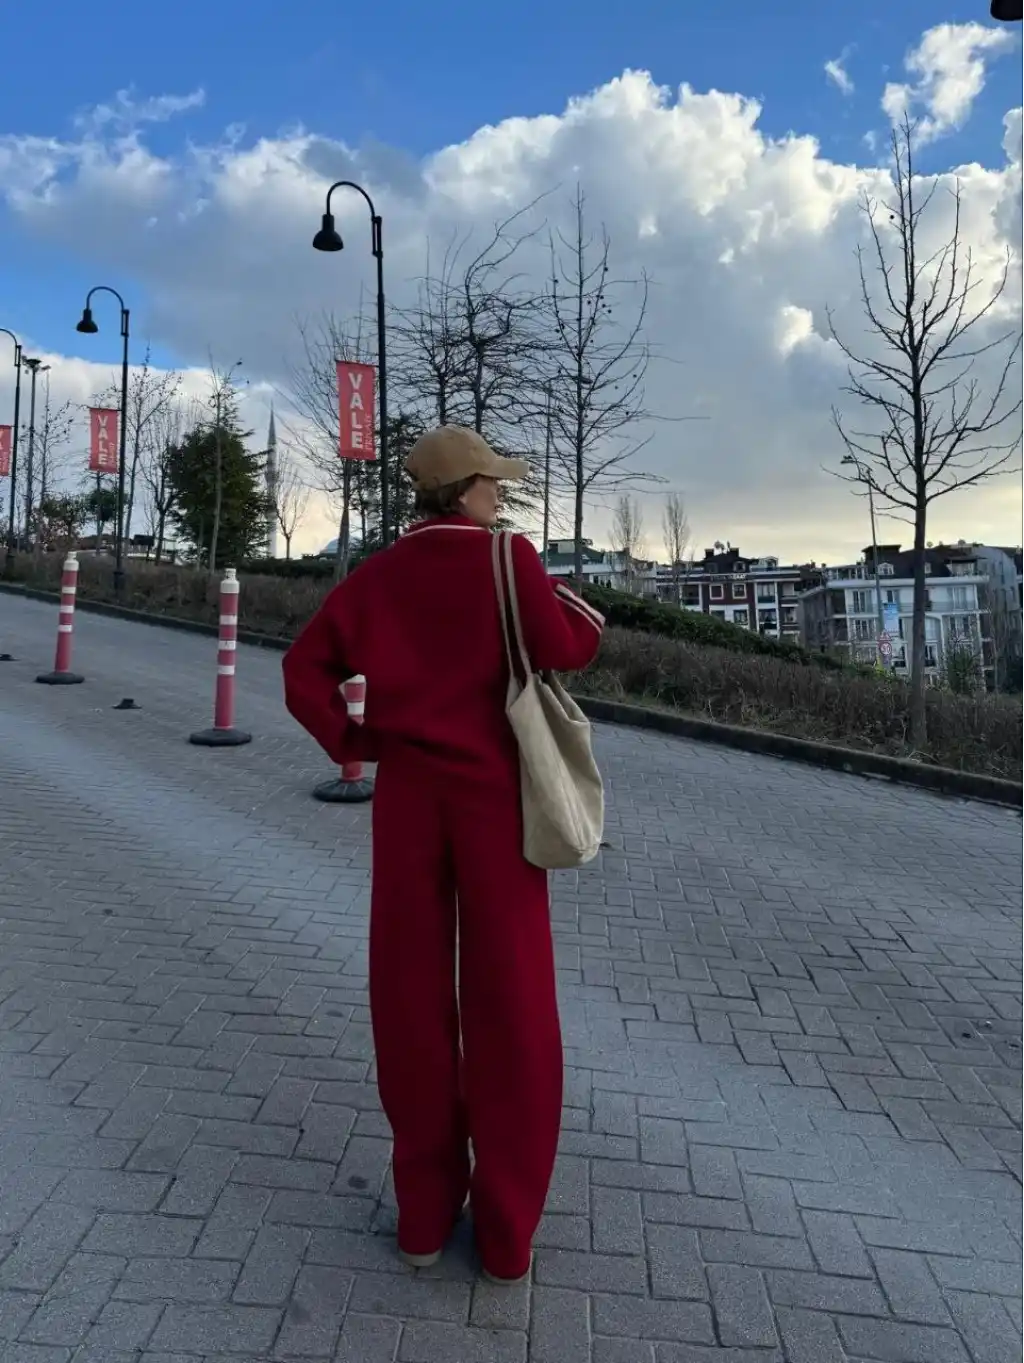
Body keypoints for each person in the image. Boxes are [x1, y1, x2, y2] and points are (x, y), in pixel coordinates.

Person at [282, 425, 604, 1283]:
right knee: (513, 1001)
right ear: (463, 490)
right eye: (492, 481)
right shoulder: (509, 559)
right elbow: (568, 646)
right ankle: (505, 1234)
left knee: (409, 996)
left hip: (409, 804)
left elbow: (303, 671)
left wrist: (360, 740)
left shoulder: (378, 575)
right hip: (497, 801)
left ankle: (423, 1216)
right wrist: (567, 601)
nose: (501, 492)